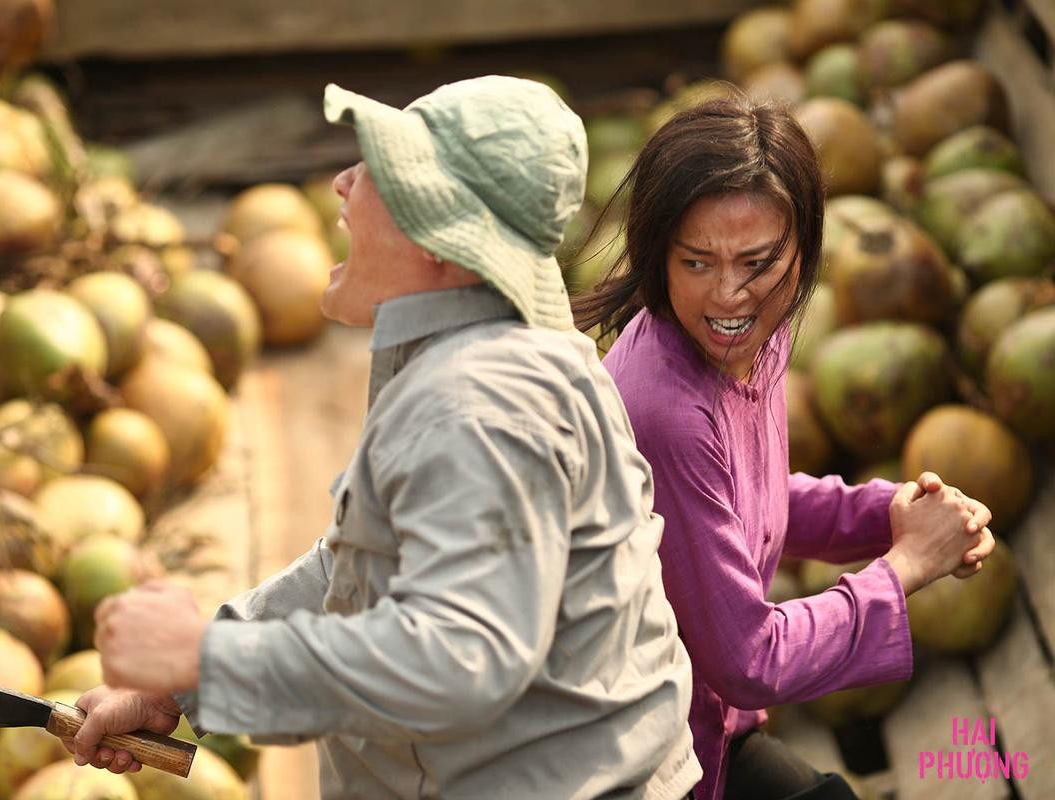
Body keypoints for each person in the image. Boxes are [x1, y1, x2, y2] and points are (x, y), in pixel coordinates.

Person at [66, 76, 703, 800]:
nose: (341, 183)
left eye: (375, 172)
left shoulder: (479, 407)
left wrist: (211, 659)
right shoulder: (490, 363)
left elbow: (462, 659)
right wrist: (185, 683)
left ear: (441, 242)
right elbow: (362, 569)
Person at [573, 95, 996, 800]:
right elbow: (748, 659)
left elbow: (749, 497)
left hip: (708, 726)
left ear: (805, 248)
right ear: (658, 254)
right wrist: (907, 565)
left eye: (759, 262)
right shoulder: (665, 410)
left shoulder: (748, 342)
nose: (730, 296)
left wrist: (883, 511)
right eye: (697, 262)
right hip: (652, 758)